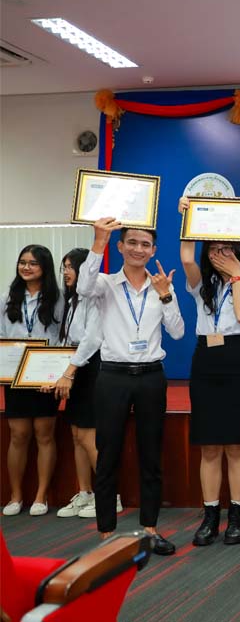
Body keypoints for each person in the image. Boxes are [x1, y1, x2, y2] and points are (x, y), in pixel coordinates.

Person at [77, 219, 184, 556]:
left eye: (145, 244)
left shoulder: (161, 286)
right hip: (113, 377)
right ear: (121, 247)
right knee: (107, 455)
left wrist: (166, 296)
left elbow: (178, 332)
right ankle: (106, 535)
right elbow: (83, 288)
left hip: (151, 376)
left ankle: (150, 530)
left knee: (151, 454)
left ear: (154, 251)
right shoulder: (105, 284)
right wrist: (99, 241)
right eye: (132, 243)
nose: (139, 249)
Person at [179, 198, 240, 548]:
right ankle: (210, 515)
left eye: (227, 248)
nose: (220, 254)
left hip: (237, 360)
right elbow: (187, 258)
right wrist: (187, 218)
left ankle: (236, 515)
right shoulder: (202, 284)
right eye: (214, 249)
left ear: (238, 252)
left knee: (236, 445)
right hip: (206, 361)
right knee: (210, 447)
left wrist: (236, 275)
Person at [2, 244, 61, 517]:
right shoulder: (7, 298)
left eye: (33, 263)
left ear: (44, 268)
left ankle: (41, 496)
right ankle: (15, 496)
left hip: (45, 375)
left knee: (44, 434)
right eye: (22, 262)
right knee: (18, 435)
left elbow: (62, 337)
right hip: (14, 374)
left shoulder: (58, 299)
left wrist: (58, 372)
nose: (26, 267)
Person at [45, 249, 105, 519]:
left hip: (92, 368)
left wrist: (69, 372)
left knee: (89, 436)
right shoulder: (71, 300)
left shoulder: (95, 298)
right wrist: (52, 375)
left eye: (71, 267)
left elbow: (92, 340)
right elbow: (66, 340)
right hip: (75, 366)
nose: (66, 272)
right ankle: (85, 492)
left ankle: (108, 496)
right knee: (77, 435)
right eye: (65, 267)